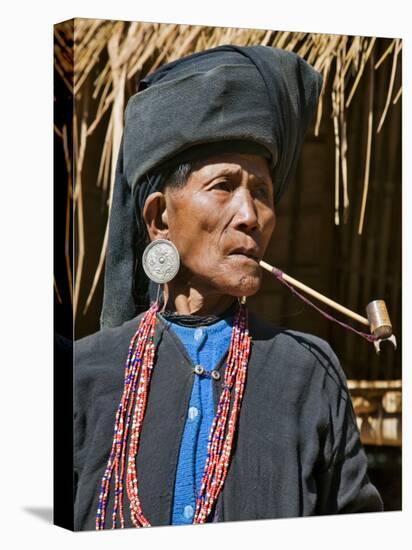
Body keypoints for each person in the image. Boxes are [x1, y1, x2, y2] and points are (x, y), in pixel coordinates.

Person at [74, 44, 383, 531]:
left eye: (261, 191)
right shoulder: (83, 373)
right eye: (223, 186)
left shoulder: (309, 374)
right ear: (159, 219)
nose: (250, 216)